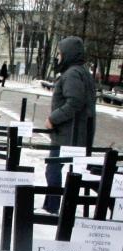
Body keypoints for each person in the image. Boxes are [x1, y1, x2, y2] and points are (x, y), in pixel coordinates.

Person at [43, 36, 96, 213]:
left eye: (59, 53)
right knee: (68, 172)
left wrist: (53, 118)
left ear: (68, 55)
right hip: (75, 134)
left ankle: (52, 208)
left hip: (67, 134)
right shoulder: (82, 72)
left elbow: (74, 102)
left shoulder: (72, 74)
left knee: (52, 170)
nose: (57, 57)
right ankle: (57, 206)